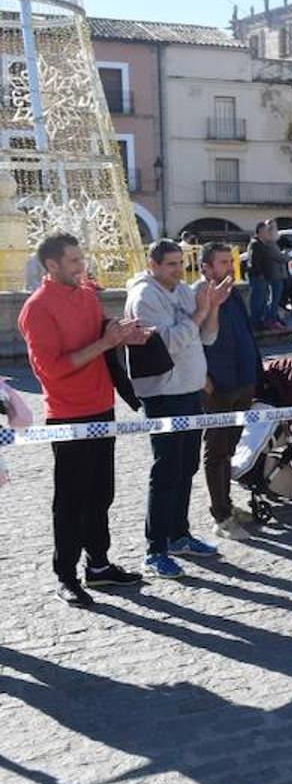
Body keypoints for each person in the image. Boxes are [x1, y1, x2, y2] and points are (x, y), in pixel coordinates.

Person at [19, 233, 151, 607]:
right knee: (70, 502)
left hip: (101, 410)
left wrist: (125, 336)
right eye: (74, 261)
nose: (82, 266)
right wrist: (106, 344)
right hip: (67, 416)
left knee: (101, 494)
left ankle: (99, 565)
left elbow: (101, 341)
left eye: (81, 259)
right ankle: (66, 575)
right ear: (52, 266)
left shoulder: (87, 294)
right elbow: (53, 370)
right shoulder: (37, 308)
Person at [126, 238, 231, 578]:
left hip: (189, 391)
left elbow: (206, 337)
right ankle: (154, 550)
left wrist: (212, 307)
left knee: (186, 466)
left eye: (178, 264)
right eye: (170, 265)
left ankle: (178, 535)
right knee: (166, 469)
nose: (176, 270)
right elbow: (169, 342)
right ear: (152, 264)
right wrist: (201, 312)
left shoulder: (184, 291)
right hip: (163, 394)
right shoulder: (144, 296)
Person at [197, 242, 263, 541]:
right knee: (216, 450)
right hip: (218, 385)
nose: (229, 267)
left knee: (229, 449)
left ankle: (226, 504)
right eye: (222, 262)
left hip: (242, 381)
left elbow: (246, 333)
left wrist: (255, 373)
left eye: (230, 261)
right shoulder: (199, 294)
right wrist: (204, 379)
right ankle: (221, 516)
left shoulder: (233, 292)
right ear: (206, 268)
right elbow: (191, 339)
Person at [246, 219, 288, 331]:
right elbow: (254, 262)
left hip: (264, 277)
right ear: (259, 232)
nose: (267, 233)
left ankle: (260, 322)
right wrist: (260, 274)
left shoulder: (262, 244)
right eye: (265, 231)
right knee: (257, 301)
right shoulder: (256, 244)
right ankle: (256, 323)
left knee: (262, 301)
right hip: (259, 277)